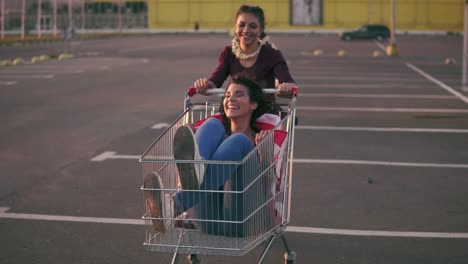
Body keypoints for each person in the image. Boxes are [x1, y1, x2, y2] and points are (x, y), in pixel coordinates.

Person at [144, 77, 277, 237]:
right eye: (227, 95)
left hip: (242, 220)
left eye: (239, 94)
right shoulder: (216, 135)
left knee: (239, 141)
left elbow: (271, 188)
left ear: (253, 104)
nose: (231, 99)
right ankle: (195, 168)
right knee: (212, 125)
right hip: (209, 221)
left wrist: (266, 157)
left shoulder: (262, 139)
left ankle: (176, 204)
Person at [193, 4, 297, 98]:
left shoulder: (272, 55)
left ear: (261, 30)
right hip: (234, 112)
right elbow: (215, 81)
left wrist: (286, 87)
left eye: (252, 26)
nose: (246, 30)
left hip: (264, 114)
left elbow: (289, 83)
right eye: (241, 25)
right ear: (235, 27)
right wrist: (205, 85)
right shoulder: (229, 53)